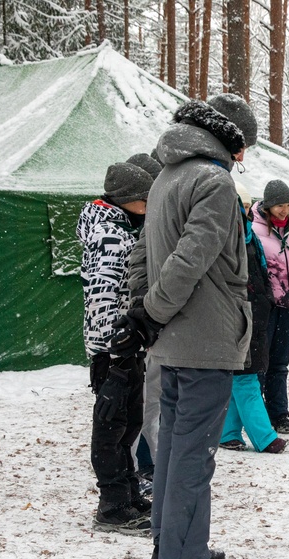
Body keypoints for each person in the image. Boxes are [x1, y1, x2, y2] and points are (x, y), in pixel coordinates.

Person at [112, 94, 258, 559]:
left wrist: (143, 314)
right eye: (243, 148)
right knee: (194, 452)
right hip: (204, 337)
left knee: (174, 447)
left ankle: (167, 544)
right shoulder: (213, 183)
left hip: (173, 338)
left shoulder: (166, 178)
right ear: (229, 138)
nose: (242, 160)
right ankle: (184, 558)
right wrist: (150, 312)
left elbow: (142, 256)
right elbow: (191, 258)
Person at [76, 161, 153, 535]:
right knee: (111, 428)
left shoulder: (121, 228)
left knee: (128, 424)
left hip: (126, 346)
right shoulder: (110, 236)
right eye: (145, 199)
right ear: (128, 200)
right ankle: (112, 505)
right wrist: (117, 355)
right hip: (114, 349)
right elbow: (103, 300)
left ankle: (129, 491)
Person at [220, 182, 287, 454]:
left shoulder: (249, 236)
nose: (245, 211)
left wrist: (266, 299)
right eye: (241, 206)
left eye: (247, 206)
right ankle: (264, 436)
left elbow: (260, 273)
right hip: (237, 315)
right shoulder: (226, 236)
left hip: (255, 314)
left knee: (243, 374)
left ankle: (227, 432)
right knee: (245, 376)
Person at [252, 179, 289, 434]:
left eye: (288, 205)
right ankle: (258, 414)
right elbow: (252, 268)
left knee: (280, 361)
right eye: (279, 206)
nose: (284, 210)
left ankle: (279, 413)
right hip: (265, 306)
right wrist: (266, 295)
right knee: (260, 361)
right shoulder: (255, 230)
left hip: (288, 305)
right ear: (267, 205)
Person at [124, 152, 164, 490]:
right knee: (141, 402)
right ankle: (137, 466)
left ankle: (144, 462)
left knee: (150, 402)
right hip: (137, 326)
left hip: (147, 324)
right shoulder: (128, 228)